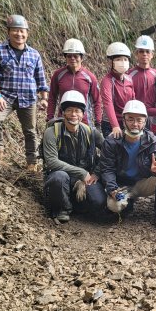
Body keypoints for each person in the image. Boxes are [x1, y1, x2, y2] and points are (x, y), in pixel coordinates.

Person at [0, 14, 48, 171]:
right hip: (5, 97)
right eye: (15, 30)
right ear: (8, 31)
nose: (19, 34)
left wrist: (44, 98)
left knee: (30, 131)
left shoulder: (34, 54)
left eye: (22, 31)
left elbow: (40, 78)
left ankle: (31, 163)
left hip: (28, 98)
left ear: (27, 33)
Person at [100, 100, 156, 228]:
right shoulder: (112, 141)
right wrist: (112, 189)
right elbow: (107, 169)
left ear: (145, 121)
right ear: (124, 120)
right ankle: (128, 202)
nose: (135, 124)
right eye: (130, 119)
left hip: (142, 182)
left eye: (139, 120)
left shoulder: (151, 139)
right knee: (114, 206)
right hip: (121, 185)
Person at [42, 91, 106, 222]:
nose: (73, 114)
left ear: (83, 114)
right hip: (62, 176)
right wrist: (81, 173)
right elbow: (51, 162)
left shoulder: (91, 132)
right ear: (63, 113)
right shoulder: (51, 132)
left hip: (87, 178)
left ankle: (79, 206)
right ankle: (62, 209)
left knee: (99, 202)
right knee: (58, 178)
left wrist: (96, 173)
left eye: (77, 111)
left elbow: (109, 154)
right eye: (69, 110)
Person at [46, 38, 101, 128]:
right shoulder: (58, 75)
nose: (72, 59)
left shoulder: (90, 77)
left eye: (76, 56)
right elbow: (52, 97)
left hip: (84, 122)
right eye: (69, 56)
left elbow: (97, 101)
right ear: (65, 57)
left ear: (81, 58)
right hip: (63, 120)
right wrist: (50, 118)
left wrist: (98, 123)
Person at [101, 42, 135, 138]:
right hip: (110, 123)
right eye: (118, 59)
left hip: (126, 121)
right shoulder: (107, 81)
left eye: (125, 59)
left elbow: (133, 100)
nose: (122, 62)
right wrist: (115, 126)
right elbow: (108, 103)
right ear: (110, 62)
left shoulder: (129, 79)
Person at [128, 35, 156, 103]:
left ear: (152, 55)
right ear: (136, 54)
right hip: (135, 112)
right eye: (141, 51)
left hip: (154, 112)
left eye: (147, 51)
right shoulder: (129, 75)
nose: (144, 54)